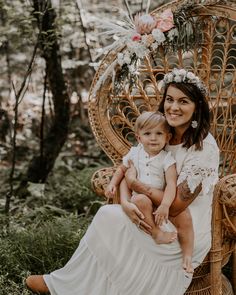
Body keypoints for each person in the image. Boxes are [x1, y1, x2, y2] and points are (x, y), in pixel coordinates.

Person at [25, 68, 219, 295]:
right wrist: (126, 202)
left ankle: (65, 286)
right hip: (150, 206)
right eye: (169, 99)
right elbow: (131, 167)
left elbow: (176, 206)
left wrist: (139, 187)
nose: (173, 107)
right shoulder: (160, 133)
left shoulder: (203, 148)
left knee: (109, 217)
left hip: (184, 224)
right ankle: (68, 283)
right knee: (113, 215)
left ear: (197, 107)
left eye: (183, 101)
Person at [105, 111, 195, 272]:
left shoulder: (167, 159)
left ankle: (188, 256)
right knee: (140, 200)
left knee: (186, 218)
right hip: (140, 199)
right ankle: (156, 233)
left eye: (159, 133)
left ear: (167, 137)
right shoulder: (134, 153)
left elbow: (171, 184)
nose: (153, 138)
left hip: (159, 198)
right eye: (147, 133)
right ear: (139, 138)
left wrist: (165, 205)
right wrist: (112, 183)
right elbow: (121, 170)